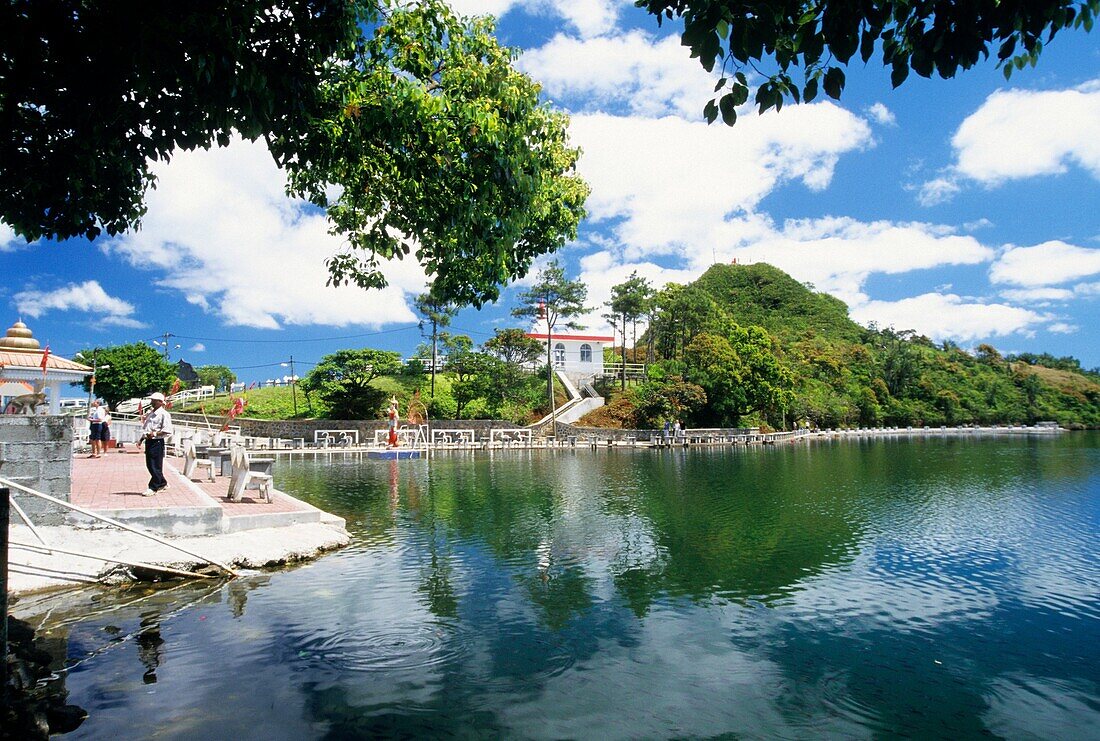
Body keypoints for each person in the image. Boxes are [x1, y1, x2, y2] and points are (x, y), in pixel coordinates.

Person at [138, 392, 174, 496]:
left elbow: (167, 430)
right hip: (149, 441)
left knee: (155, 465)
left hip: (157, 441)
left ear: (159, 402)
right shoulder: (151, 413)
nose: (151, 402)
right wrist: (141, 439)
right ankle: (162, 483)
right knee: (150, 464)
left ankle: (153, 487)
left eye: (154, 400)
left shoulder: (164, 414)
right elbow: (146, 428)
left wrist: (154, 434)